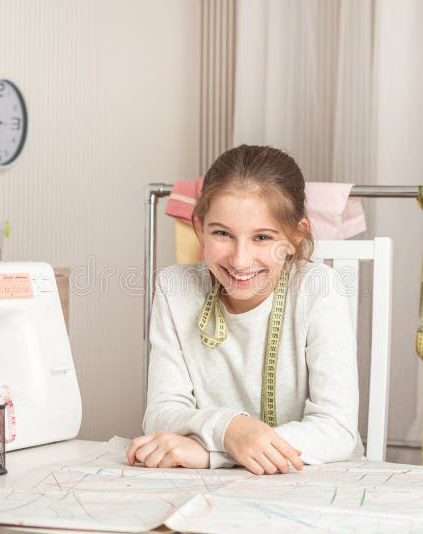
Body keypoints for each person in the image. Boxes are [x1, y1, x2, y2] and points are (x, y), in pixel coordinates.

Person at [127, 145, 362, 475]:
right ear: (200, 228)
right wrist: (229, 429)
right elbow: (161, 412)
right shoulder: (173, 289)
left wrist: (216, 453)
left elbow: (336, 431)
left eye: (262, 238)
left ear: (296, 236)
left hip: (316, 484)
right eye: (222, 233)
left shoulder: (320, 290)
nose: (239, 260)